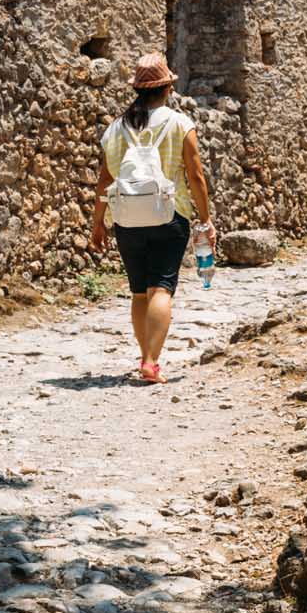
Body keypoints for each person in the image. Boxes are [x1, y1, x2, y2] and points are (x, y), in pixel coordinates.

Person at [90, 53, 214, 384]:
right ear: (168, 88)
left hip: (126, 218)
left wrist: (98, 222)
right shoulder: (179, 124)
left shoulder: (116, 128)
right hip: (169, 215)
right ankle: (150, 362)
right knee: (161, 288)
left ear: (137, 89)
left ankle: (145, 356)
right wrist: (205, 219)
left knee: (139, 292)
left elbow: (104, 179)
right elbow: (195, 176)